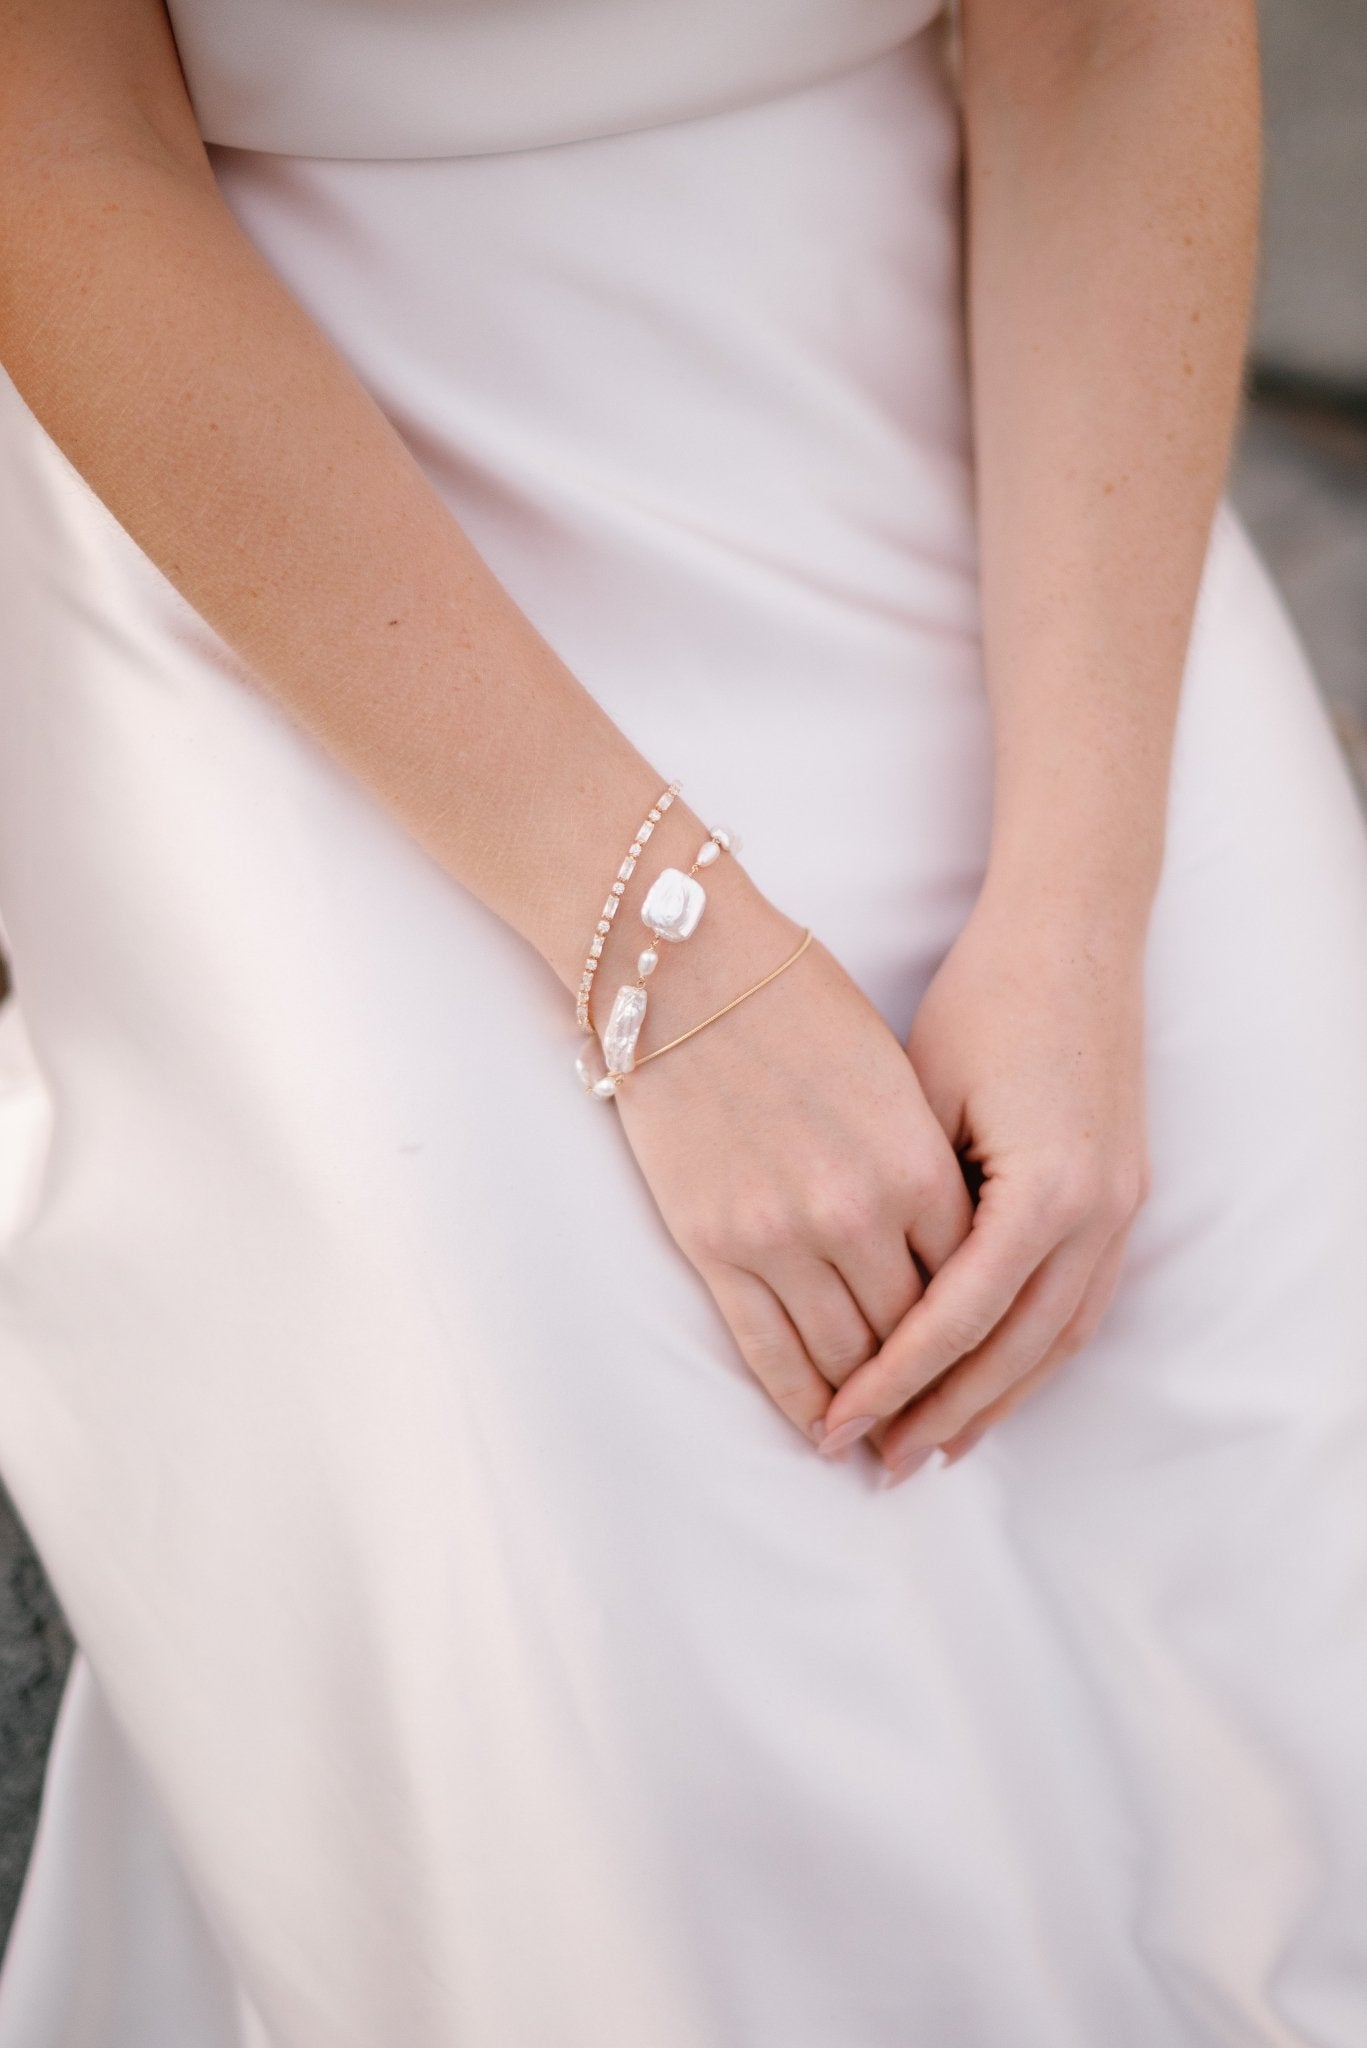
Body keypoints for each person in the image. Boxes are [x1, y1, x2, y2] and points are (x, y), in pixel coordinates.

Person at [0, 0, 1364, 2040]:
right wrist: (663, 952)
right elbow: (55, 161)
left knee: (1283, 1484)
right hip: (275, 454)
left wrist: (1081, 899)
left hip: (972, 367)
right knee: (632, 1641)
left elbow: (1115, 41)